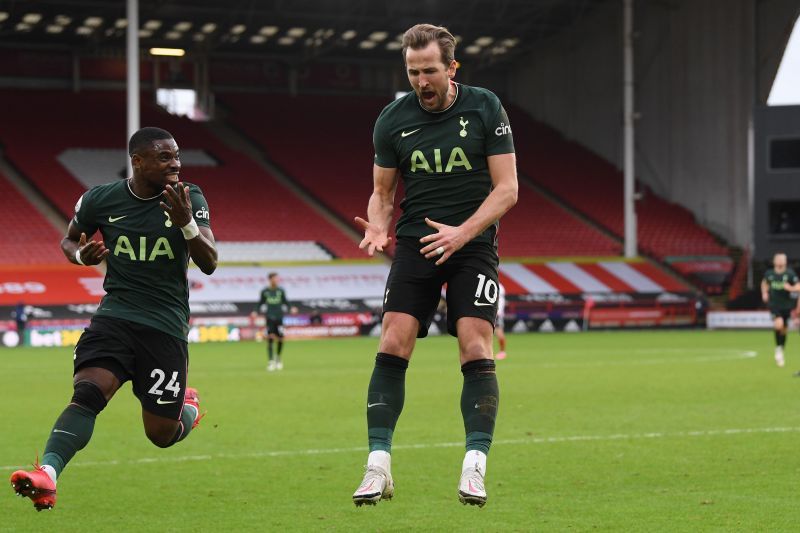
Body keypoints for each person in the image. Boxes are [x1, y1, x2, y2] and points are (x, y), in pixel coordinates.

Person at [352, 23, 517, 508]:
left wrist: (463, 232)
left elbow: (507, 189)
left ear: (451, 68)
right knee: (393, 339)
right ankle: (377, 466)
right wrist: (378, 227)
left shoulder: (485, 106)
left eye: (429, 71)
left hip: (473, 244)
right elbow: (382, 194)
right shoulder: (391, 119)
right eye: (412, 72)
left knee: (474, 344)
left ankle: (474, 467)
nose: (421, 81)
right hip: (416, 244)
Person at [9, 127, 217, 511]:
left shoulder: (189, 196)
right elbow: (69, 240)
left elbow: (209, 262)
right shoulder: (99, 199)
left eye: (176, 156)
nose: (176, 164)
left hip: (164, 325)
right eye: (165, 157)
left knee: (161, 434)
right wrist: (80, 257)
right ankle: (48, 475)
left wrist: (186, 222)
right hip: (115, 317)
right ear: (137, 161)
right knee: (87, 393)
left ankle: (186, 408)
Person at [761, 252, 798, 367]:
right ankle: (778, 348)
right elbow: (764, 283)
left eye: (783, 259)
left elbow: (798, 286)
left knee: (784, 329)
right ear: (775, 261)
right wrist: (764, 293)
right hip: (774, 305)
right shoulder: (769, 274)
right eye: (779, 259)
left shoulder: (790, 274)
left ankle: (780, 349)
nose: (781, 261)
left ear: (786, 261)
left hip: (787, 306)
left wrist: (791, 288)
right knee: (778, 324)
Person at [255, 272, 289, 371]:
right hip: (269, 317)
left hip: (279, 317)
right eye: (275, 278)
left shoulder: (281, 291)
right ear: (270, 279)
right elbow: (260, 302)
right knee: (270, 338)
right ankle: (271, 361)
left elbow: (285, 301)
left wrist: (291, 307)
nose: (277, 280)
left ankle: (278, 358)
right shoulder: (265, 291)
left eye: (277, 278)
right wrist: (255, 311)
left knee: (281, 338)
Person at [494, 282, 507, 360]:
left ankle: (502, 352)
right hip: (488, 313)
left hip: (497, 313)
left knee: (499, 333)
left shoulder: (499, 286)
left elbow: (501, 300)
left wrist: (498, 312)